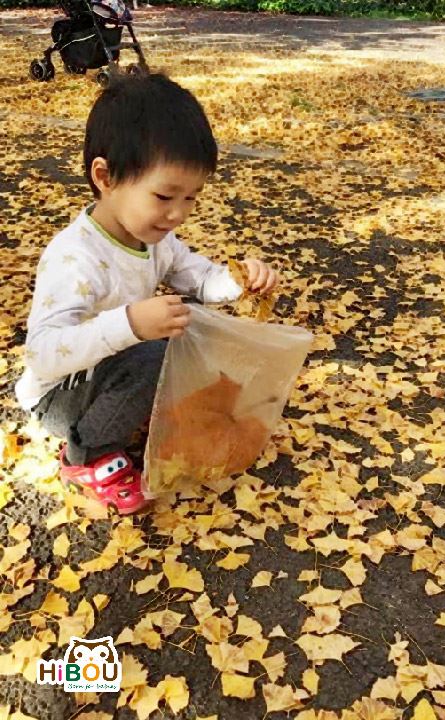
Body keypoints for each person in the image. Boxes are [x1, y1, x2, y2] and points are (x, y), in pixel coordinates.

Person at [14, 74, 278, 515]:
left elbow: (199, 279)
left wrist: (238, 282)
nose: (178, 214)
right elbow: (43, 354)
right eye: (164, 195)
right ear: (106, 177)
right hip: (59, 396)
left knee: (185, 327)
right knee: (155, 350)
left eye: (192, 198)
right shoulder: (75, 259)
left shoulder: (154, 238)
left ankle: (135, 408)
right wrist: (131, 324)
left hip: (111, 371)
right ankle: (87, 455)